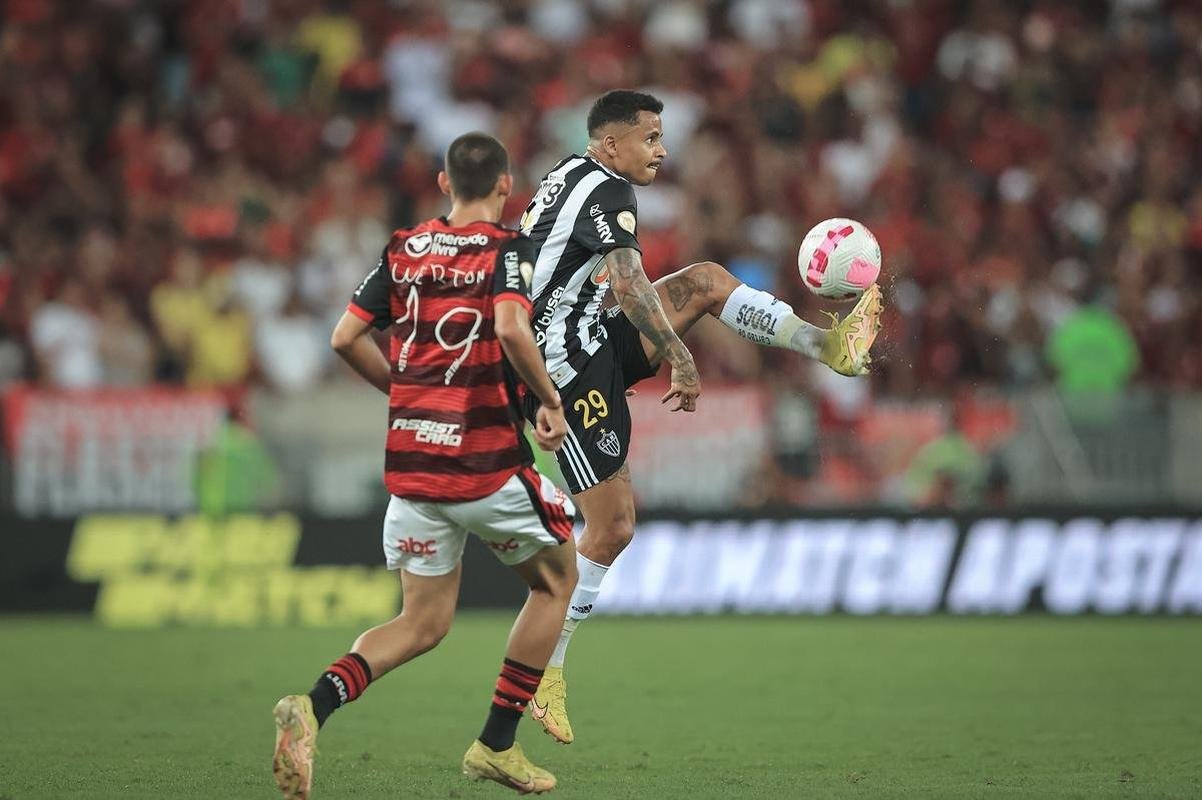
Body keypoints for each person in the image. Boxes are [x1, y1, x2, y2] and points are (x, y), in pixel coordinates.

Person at [518, 90, 884, 743]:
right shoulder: (606, 191)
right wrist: (679, 355)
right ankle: (543, 672)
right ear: (610, 143)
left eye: (663, 137)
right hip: (562, 376)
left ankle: (825, 345)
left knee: (707, 281)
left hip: (589, 340)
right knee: (613, 527)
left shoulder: (570, 174)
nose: (662, 150)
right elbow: (628, 283)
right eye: (650, 138)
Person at [272, 132, 577, 798]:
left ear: (444, 183)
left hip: (413, 467)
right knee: (558, 581)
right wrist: (550, 401)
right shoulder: (508, 249)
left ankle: (312, 706)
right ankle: (496, 745)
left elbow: (344, 337)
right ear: (506, 185)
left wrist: (404, 391)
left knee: (422, 623)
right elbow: (509, 327)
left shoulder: (404, 247)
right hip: (481, 463)